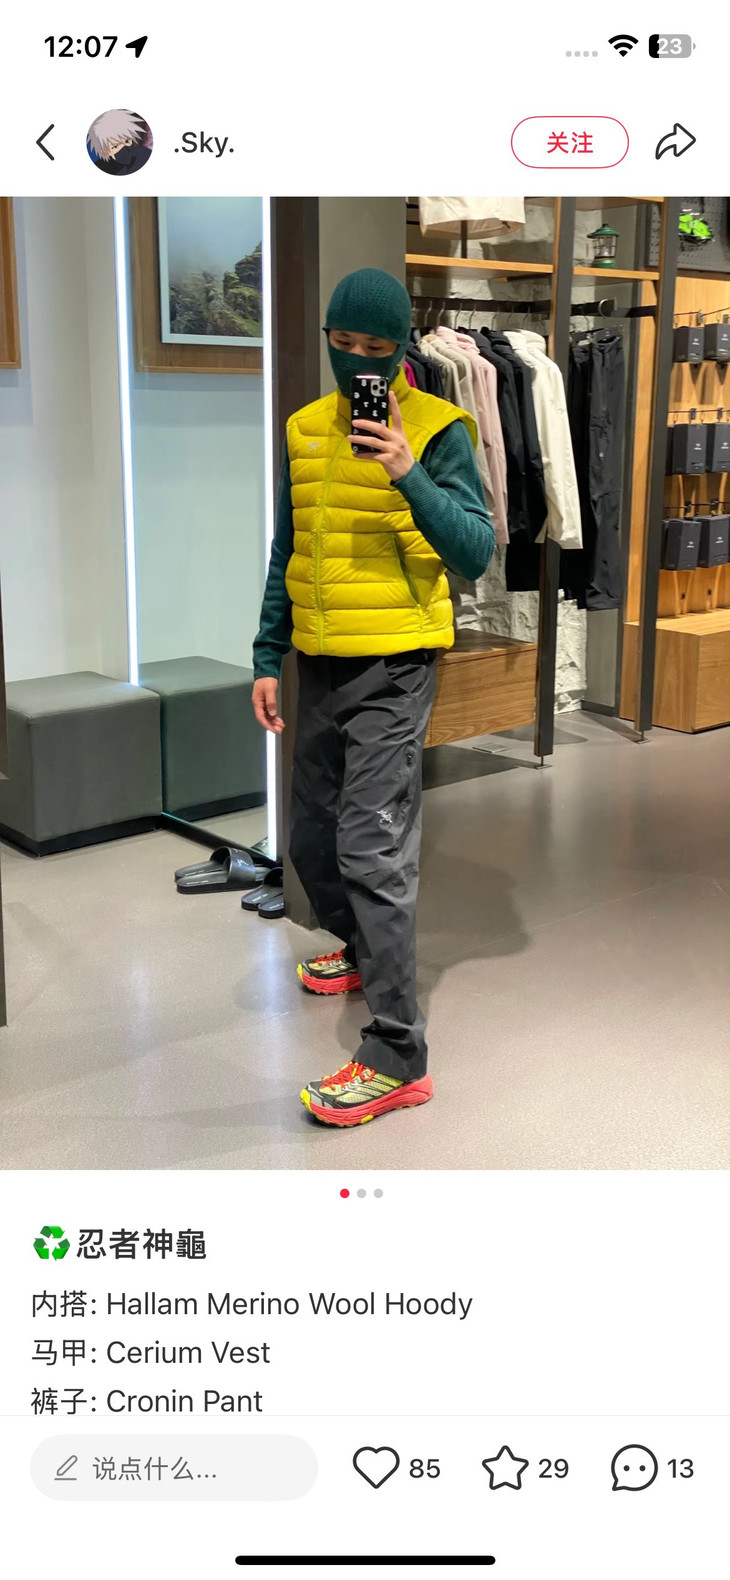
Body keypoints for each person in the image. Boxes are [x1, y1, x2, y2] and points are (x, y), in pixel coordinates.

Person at [252, 268, 494, 1127]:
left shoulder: (438, 428)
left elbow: (475, 553)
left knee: (372, 849)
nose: (358, 359)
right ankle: (360, 951)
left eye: (376, 347)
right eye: (344, 343)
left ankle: (398, 1055)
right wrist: (268, 653)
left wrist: (407, 473)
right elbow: (289, 546)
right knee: (310, 840)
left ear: (400, 349)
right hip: (317, 664)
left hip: (395, 665)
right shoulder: (304, 428)